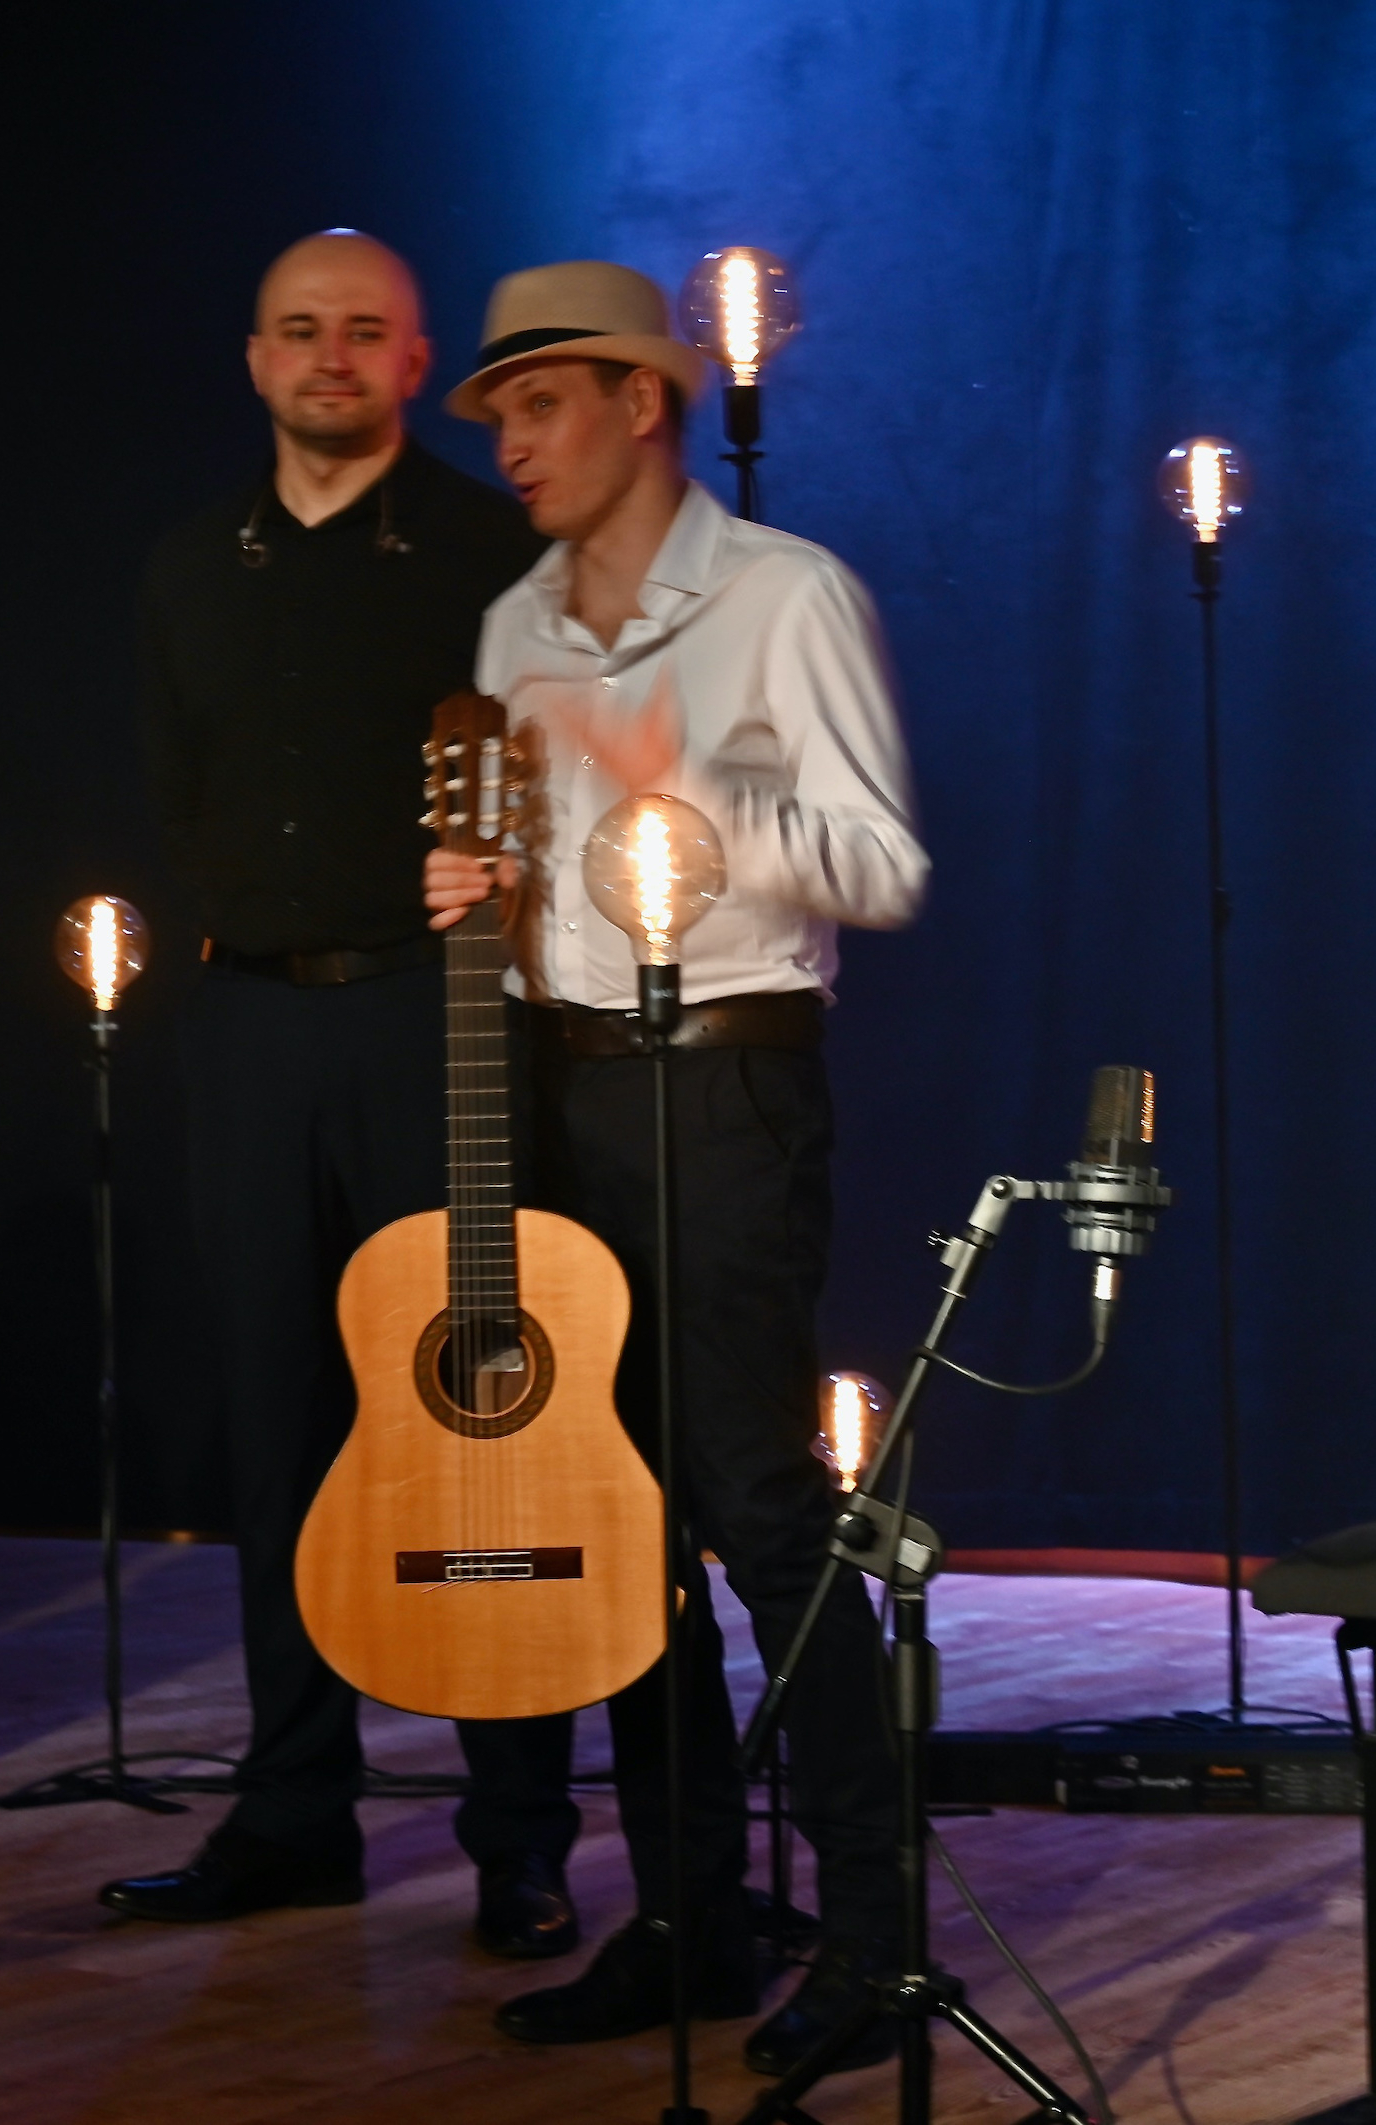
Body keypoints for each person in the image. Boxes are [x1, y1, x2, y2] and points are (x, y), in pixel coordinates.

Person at [423, 261, 926, 2071]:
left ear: (642, 401)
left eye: (540, 404)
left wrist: (685, 786)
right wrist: (477, 897)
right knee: (614, 1526)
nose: (512, 443)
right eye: (496, 415)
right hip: (564, 1092)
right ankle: (692, 1917)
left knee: (760, 1508)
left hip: (725, 1086)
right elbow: (525, 897)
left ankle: (874, 1937)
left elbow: (880, 863)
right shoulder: (512, 628)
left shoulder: (788, 594)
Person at [103, 230, 587, 1959]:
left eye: (363, 332)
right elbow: (180, 788)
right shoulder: (187, 564)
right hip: (250, 1021)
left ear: (412, 361)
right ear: (255, 360)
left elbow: (552, 784)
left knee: (477, 1413)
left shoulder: (491, 550)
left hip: (427, 1016)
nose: (329, 357)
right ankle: (294, 1810)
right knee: (279, 1417)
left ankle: (518, 1832)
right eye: (299, 331)